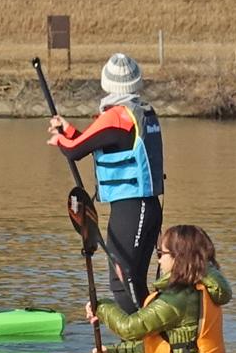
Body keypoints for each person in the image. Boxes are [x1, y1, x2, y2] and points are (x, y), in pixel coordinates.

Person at [47, 52, 164, 313]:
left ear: (107, 84)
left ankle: (146, 343)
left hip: (132, 209)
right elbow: (96, 141)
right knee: (132, 281)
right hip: (145, 207)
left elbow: (75, 150)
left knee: (123, 283)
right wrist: (68, 131)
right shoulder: (139, 111)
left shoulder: (118, 116)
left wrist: (62, 139)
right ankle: (148, 345)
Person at [87, 224, 232, 353]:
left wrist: (100, 306)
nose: (159, 260)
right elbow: (171, 346)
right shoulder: (200, 289)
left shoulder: (179, 298)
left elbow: (129, 328)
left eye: (161, 254)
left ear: (178, 257)